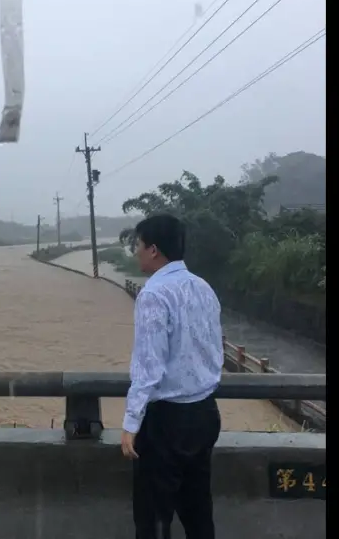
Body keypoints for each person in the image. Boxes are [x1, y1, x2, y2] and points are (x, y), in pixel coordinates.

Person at [120, 213, 224, 539]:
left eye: (137, 245)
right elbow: (213, 350)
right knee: (197, 510)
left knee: (153, 515)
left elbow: (149, 367)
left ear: (153, 250)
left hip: (167, 422)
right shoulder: (203, 287)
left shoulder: (153, 294)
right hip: (205, 414)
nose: (135, 251)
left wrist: (131, 423)